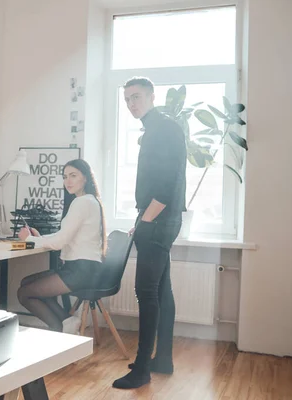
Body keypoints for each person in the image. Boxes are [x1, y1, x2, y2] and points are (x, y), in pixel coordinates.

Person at [112, 77, 186, 389]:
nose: (132, 103)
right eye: (127, 98)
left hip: (158, 221)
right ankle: (163, 359)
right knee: (161, 290)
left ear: (152, 97)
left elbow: (167, 184)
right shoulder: (155, 128)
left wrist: (147, 220)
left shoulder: (163, 129)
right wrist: (142, 219)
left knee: (146, 292)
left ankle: (142, 369)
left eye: (137, 97)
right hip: (156, 220)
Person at [16, 159, 106, 333]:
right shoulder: (91, 201)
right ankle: (68, 321)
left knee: (24, 293)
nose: (68, 181)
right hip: (85, 268)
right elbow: (64, 236)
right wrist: (39, 237)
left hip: (80, 271)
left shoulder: (82, 202)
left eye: (73, 176)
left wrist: (29, 239)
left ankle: (57, 329)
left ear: (86, 178)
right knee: (27, 283)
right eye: (65, 177)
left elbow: (59, 242)